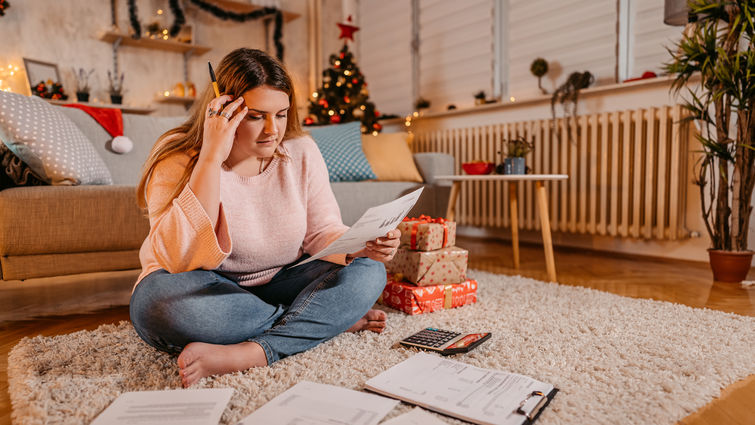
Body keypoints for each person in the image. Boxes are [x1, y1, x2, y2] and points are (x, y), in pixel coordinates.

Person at [130, 48, 400, 388]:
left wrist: (362, 245)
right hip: (209, 287)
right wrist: (212, 158)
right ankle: (322, 320)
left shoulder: (301, 151)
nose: (272, 130)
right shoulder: (178, 156)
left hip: (283, 279)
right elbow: (175, 257)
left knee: (369, 270)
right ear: (223, 110)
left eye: (282, 114)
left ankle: (254, 351)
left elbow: (322, 232)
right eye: (256, 116)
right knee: (156, 305)